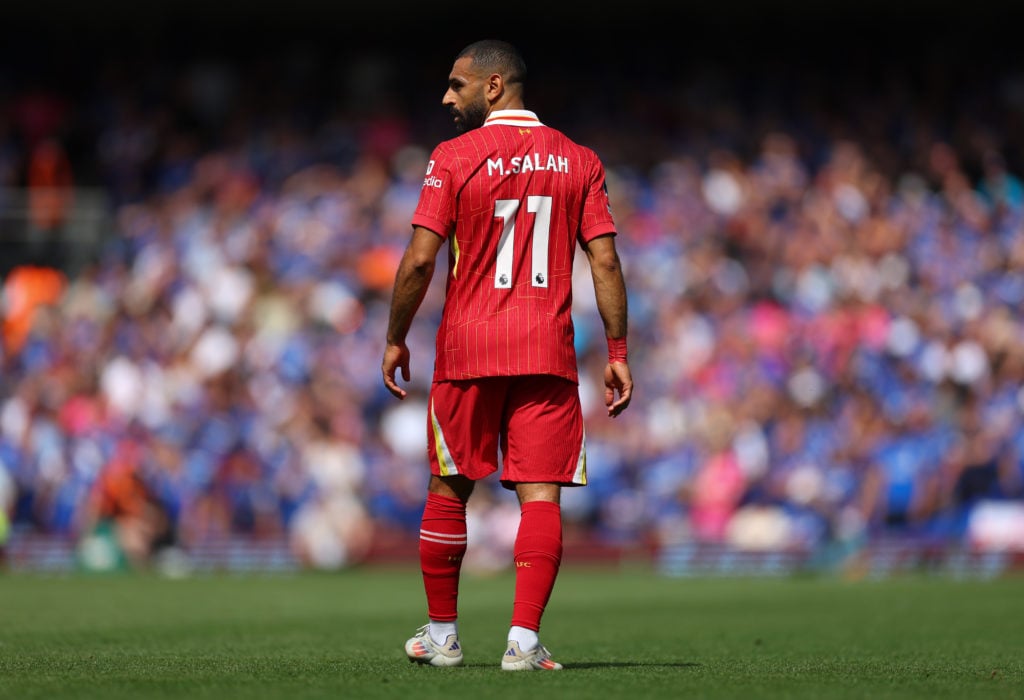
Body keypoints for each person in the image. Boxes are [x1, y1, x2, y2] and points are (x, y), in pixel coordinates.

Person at [381, 39, 633, 671]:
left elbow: (418, 258)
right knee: (540, 497)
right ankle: (522, 642)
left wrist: (394, 336)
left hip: (469, 348)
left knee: (449, 487)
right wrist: (620, 350)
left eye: (457, 84)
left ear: (494, 86)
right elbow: (603, 258)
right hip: (546, 350)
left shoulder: (454, 157)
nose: (446, 96)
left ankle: (442, 638)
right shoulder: (580, 161)